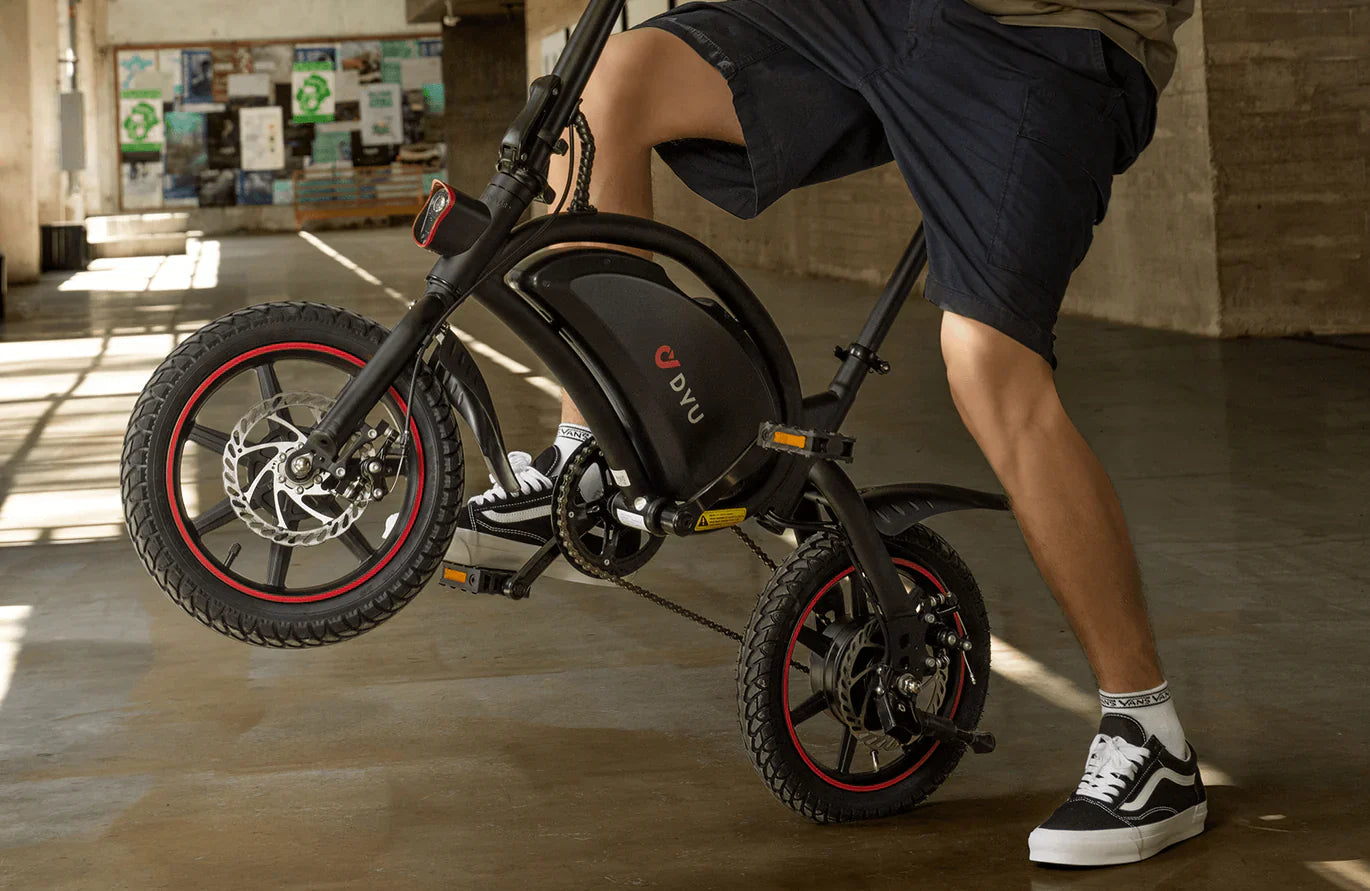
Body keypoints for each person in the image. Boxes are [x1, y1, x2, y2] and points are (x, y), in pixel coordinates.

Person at [446, 0, 1206, 866]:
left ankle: (1151, 740)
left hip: (1046, 36)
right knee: (611, 84)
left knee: (988, 364)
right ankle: (600, 449)